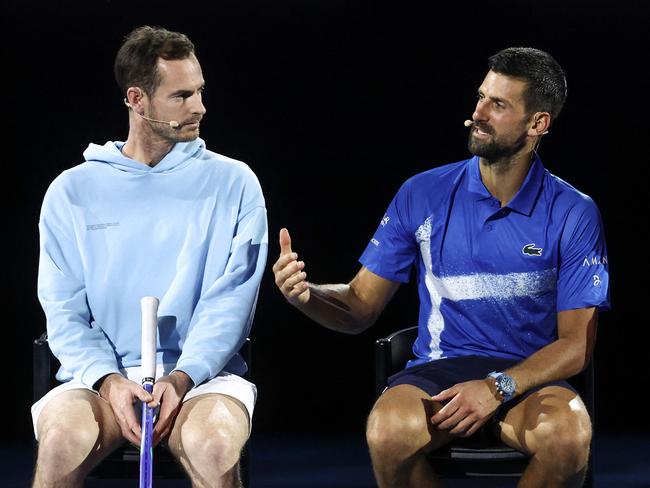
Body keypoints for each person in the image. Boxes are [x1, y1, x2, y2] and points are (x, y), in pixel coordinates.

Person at [273, 47, 609, 487]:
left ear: (538, 124)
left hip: (527, 379)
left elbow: (575, 346)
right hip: (439, 371)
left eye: (498, 104)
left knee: (567, 437)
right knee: (388, 432)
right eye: (481, 97)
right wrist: (307, 295)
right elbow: (358, 307)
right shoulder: (422, 193)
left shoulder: (574, 211)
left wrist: (496, 387)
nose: (478, 113)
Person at [32, 26, 267, 488]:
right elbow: (64, 312)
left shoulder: (235, 182)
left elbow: (232, 303)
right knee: (60, 440)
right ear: (137, 100)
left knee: (215, 443)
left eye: (200, 91)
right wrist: (109, 381)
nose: (200, 107)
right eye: (181, 96)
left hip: (203, 378)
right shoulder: (71, 192)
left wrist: (181, 378)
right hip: (97, 380)